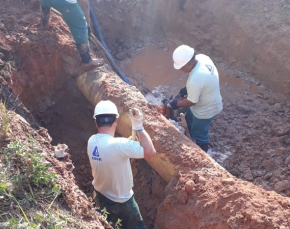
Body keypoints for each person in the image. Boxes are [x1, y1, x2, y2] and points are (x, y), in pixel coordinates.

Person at [87, 100, 156, 228]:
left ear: (96, 122)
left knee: (109, 223)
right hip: (122, 203)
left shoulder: (92, 141)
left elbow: (112, 149)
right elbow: (150, 151)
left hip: (99, 195)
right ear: (116, 121)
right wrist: (138, 126)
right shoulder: (120, 145)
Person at [170, 45, 223, 152]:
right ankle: (187, 136)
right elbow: (203, 82)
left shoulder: (195, 80)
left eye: (181, 67)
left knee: (199, 133)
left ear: (189, 64)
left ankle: (202, 153)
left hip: (206, 110)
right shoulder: (202, 58)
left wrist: (177, 104)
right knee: (189, 119)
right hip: (208, 99)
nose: (180, 69)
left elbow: (192, 101)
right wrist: (187, 90)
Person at [39, 0, 103, 70]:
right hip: (65, 3)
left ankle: (44, 24)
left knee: (46, 3)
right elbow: (85, 5)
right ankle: (87, 60)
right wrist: (87, 26)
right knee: (80, 24)